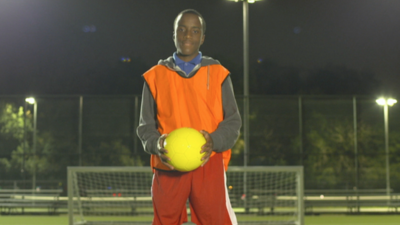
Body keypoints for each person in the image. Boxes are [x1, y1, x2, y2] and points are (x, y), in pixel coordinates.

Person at [137, 9, 241, 225]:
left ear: (202, 37)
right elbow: (145, 127)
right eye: (182, 30)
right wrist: (157, 144)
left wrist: (215, 141)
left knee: (216, 221)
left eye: (194, 31)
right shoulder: (155, 75)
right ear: (174, 34)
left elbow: (232, 122)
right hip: (168, 164)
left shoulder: (219, 73)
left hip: (208, 161)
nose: (187, 36)